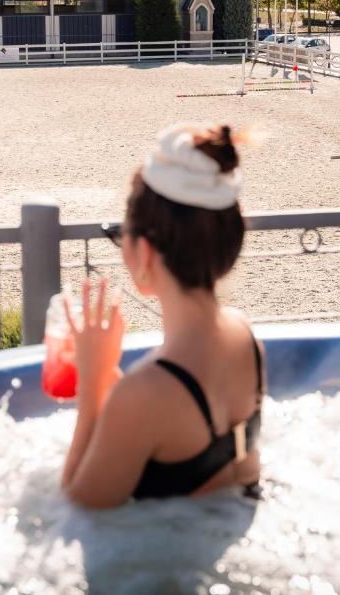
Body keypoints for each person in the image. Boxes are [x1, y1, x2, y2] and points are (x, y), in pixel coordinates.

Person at [61, 122, 265, 509]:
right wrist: (113, 377)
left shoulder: (144, 395)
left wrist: (92, 383)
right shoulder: (246, 337)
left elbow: (76, 510)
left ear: (146, 252)